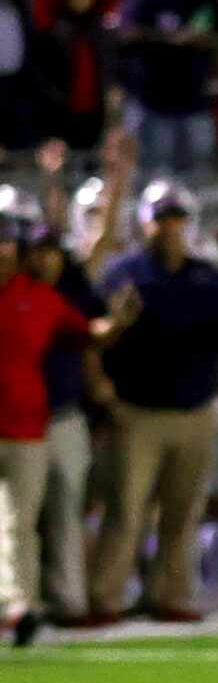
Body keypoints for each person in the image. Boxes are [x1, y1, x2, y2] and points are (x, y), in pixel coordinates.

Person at [91, 181, 218, 623]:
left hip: (194, 408)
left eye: (176, 219)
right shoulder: (124, 272)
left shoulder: (207, 277)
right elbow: (98, 334)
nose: (169, 228)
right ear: (146, 223)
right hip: (138, 410)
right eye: (161, 218)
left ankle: (170, 594)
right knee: (126, 510)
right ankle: (106, 595)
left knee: (183, 512)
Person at [0, 216, 121, 647]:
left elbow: (88, 332)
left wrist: (118, 322)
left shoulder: (43, 297)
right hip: (25, 422)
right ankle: (18, 603)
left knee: (22, 521)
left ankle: (21, 607)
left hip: (32, 423)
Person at [111, 0, 218, 175]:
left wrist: (199, 39)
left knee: (193, 172)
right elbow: (127, 32)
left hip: (193, 99)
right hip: (151, 99)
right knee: (152, 172)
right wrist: (170, 39)